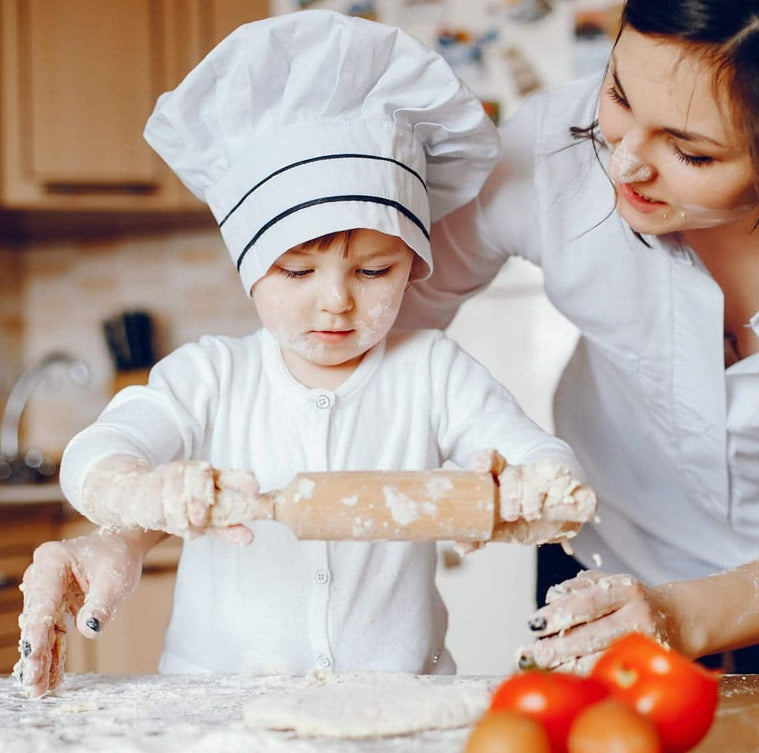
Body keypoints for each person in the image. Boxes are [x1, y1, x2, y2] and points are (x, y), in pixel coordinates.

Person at [15, 10, 593, 697]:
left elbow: (551, 464)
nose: (336, 303)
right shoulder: (211, 375)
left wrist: (521, 488)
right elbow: (96, 451)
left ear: (414, 265)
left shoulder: (433, 370)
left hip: (398, 700)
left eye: (374, 271)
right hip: (217, 707)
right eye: (296, 272)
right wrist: (147, 489)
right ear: (248, 267)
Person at [395, 0, 759, 673]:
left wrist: (690, 613)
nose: (621, 163)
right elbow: (396, 310)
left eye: (689, 152)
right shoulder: (555, 150)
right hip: (604, 566)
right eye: (617, 94)